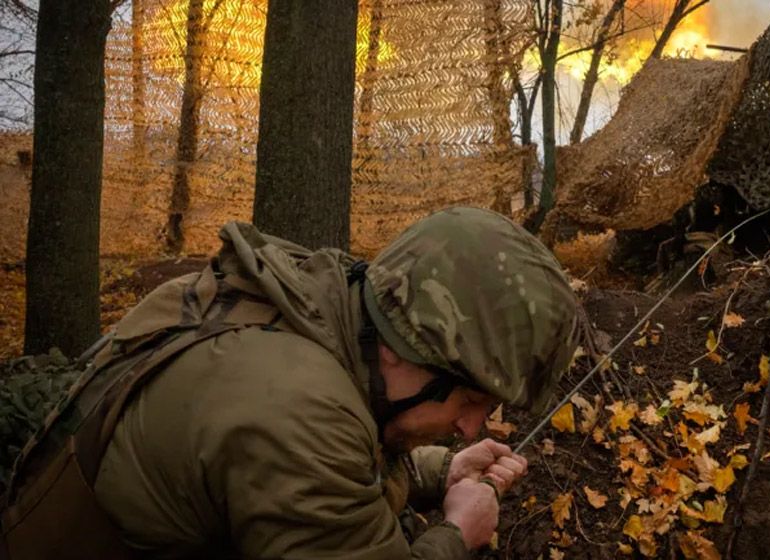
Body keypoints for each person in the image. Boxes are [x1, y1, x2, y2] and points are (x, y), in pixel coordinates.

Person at [0, 207, 580, 559]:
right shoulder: (297, 412)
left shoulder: (308, 308)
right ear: (407, 351)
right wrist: (456, 532)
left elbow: (327, 469)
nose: (471, 426)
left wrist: (440, 472)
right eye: (472, 399)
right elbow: (311, 454)